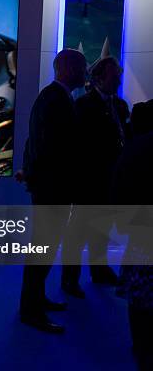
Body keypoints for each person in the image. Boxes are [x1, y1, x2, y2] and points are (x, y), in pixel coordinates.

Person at [20, 49, 87, 333]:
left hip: (50, 187)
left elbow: (33, 142)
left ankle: (36, 301)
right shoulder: (55, 99)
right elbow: (48, 147)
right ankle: (31, 311)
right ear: (69, 69)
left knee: (44, 249)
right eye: (83, 67)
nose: (86, 73)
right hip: (52, 190)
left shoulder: (53, 97)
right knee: (42, 250)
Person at [61, 56, 130, 297]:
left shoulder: (120, 107)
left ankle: (99, 271)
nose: (119, 80)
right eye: (115, 76)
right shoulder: (83, 106)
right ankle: (70, 280)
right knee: (78, 232)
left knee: (102, 228)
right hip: (89, 180)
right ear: (99, 78)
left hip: (109, 180)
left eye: (119, 75)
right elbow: (78, 144)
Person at [112, 100, 153, 369]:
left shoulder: (132, 149)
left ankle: (142, 348)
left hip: (140, 230)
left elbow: (118, 189)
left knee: (139, 296)